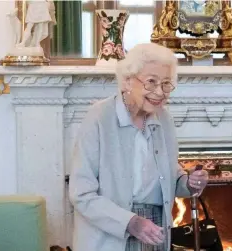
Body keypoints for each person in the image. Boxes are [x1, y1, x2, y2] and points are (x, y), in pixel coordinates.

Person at [69, 43, 209, 251]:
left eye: (166, 84)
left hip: (154, 229)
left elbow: (168, 175)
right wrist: (131, 222)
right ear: (127, 81)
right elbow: (81, 194)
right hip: (110, 235)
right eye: (151, 82)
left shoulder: (164, 120)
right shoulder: (98, 117)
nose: (160, 92)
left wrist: (188, 183)